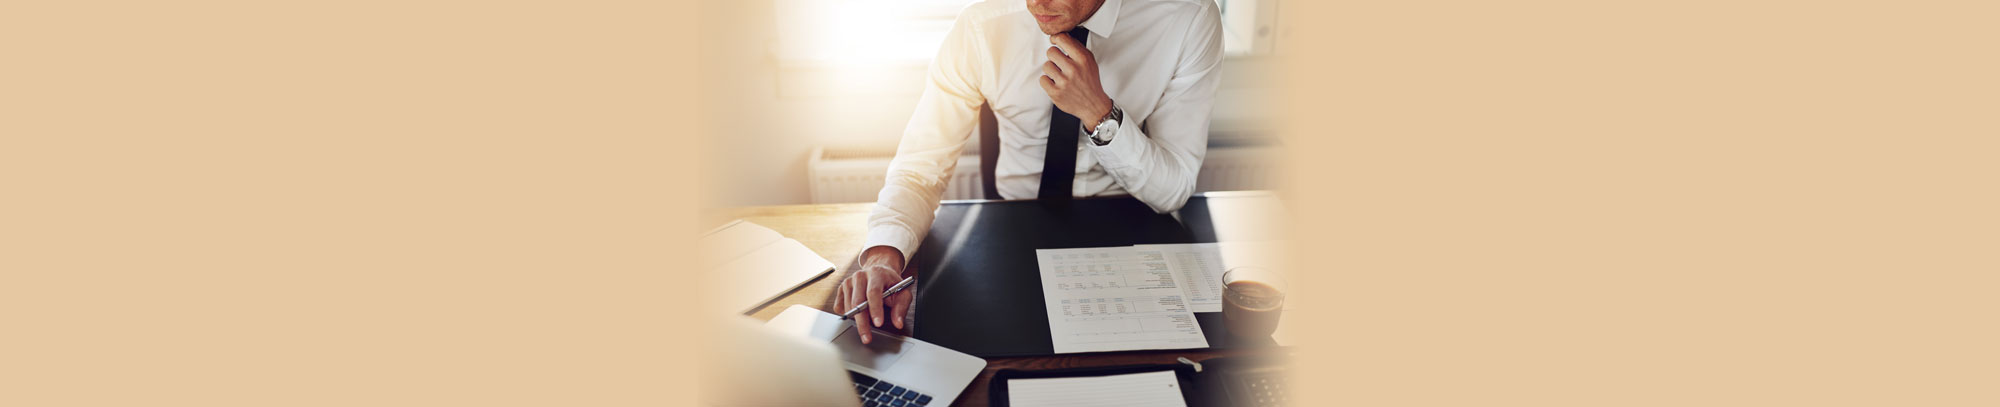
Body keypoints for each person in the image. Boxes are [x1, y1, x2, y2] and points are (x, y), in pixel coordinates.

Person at [836, 0, 1224, 343]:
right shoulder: (981, 25)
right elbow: (920, 169)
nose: (1035, 2)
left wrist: (1099, 114)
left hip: (1132, 231)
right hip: (1008, 234)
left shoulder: (1188, 17)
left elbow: (1173, 189)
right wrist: (885, 256)